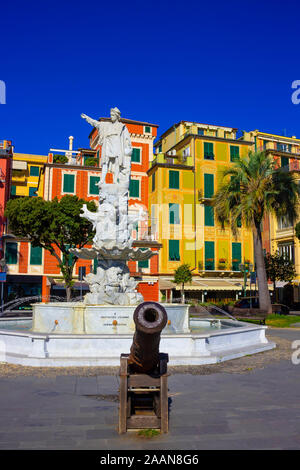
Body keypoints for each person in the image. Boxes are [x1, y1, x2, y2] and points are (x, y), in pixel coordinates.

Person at [81, 107, 132, 184]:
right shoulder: (106, 125)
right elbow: (96, 124)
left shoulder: (122, 127)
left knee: (117, 162)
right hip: (108, 143)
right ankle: (102, 180)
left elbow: (127, 139)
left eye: (113, 115)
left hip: (117, 144)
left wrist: (128, 148)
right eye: (111, 115)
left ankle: (115, 180)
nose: (111, 117)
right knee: (105, 162)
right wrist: (87, 118)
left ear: (117, 116)